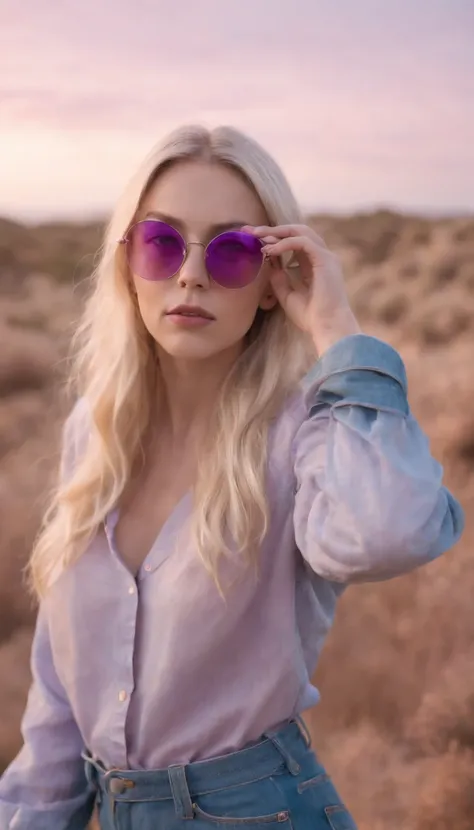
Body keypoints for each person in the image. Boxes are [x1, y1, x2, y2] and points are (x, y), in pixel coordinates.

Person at [0, 125, 464, 830]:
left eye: (232, 251)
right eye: (161, 242)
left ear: (275, 280)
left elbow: (392, 533)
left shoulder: (305, 436)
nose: (191, 274)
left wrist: (336, 327)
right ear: (127, 262)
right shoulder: (92, 436)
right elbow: (61, 693)